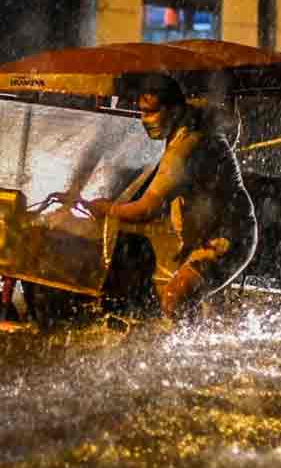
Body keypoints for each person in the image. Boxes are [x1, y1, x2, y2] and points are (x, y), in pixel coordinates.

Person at [88, 75, 257, 320]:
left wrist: (104, 208)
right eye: (142, 112)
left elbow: (145, 210)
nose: (146, 120)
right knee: (190, 306)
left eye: (153, 112)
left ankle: (190, 356)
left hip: (227, 239)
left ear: (175, 109)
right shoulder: (192, 117)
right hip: (201, 234)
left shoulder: (185, 149)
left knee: (173, 300)